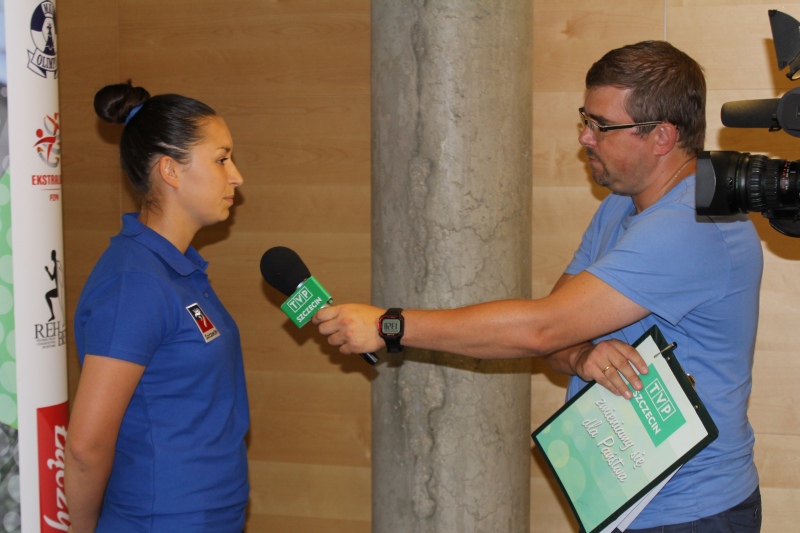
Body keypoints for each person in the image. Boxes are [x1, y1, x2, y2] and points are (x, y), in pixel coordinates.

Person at [313, 41, 763, 532]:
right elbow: (556, 340)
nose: (584, 137)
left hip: (692, 513)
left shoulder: (692, 224)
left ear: (661, 136)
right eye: (584, 119)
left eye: (601, 125)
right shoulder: (620, 205)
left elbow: (540, 330)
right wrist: (582, 356)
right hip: (625, 503)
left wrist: (390, 325)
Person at [64, 81, 249, 532]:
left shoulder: (176, 269)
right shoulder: (135, 284)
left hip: (212, 514)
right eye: (221, 159)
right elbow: (86, 446)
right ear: (171, 170)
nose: (236, 176)